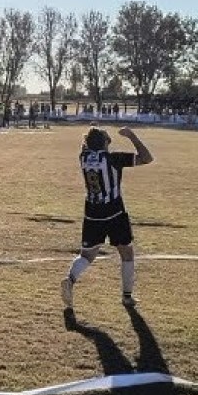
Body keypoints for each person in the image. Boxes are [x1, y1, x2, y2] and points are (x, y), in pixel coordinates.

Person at [61, 126, 154, 312]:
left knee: (87, 255)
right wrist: (132, 136)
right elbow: (147, 158)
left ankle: (70, 279)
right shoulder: (113, 159)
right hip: (114, 212)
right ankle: (127, 296)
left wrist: (94, 137)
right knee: (126, 253)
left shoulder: (83, 157)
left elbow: (86, 145)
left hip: (92, 212)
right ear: (105, 143)